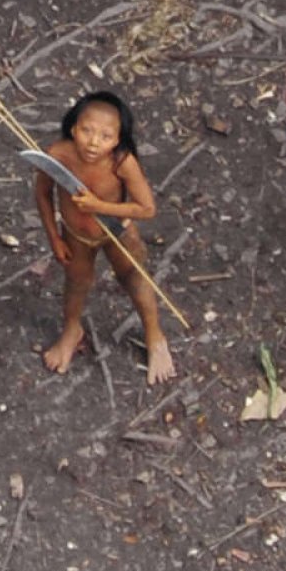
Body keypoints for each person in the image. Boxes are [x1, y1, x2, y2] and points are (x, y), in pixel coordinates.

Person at [33, 91, 176, 385]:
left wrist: (100, 207)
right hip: (75, 236)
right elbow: (42, 194)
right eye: (87, 131)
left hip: (117, 232)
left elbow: (147, 208)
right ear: (74, 128)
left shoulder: (121, 162)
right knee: (76, 283)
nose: (94, 142)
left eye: (105, 136)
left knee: (135, 278)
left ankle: (154, 335)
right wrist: (53, 237)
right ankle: (72, 330)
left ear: (117, 139)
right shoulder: (58, 155)